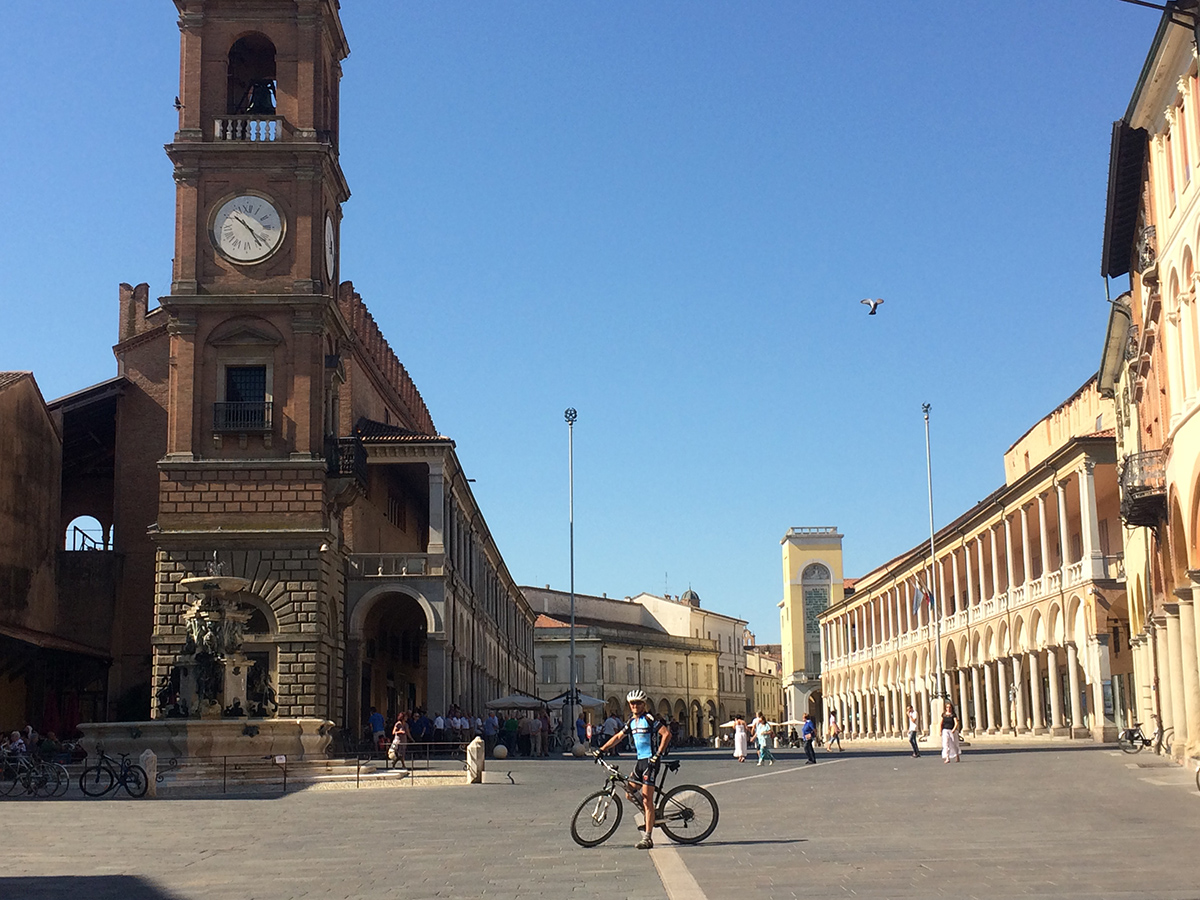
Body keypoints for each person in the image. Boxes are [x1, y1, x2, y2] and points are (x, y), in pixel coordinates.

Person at [596, 689, 671, 850]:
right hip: (640, 762)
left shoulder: (649, 719)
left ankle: (648, 837)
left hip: (651, 762)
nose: (635, 706)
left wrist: (658, 754)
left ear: (644, 704)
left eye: (638, 703)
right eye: (632, 703)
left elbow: (666, 734)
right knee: (629, 792)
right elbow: (618, 737)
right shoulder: (631, 722)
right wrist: (601, 750)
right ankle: (650, 813)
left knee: (646, 800)